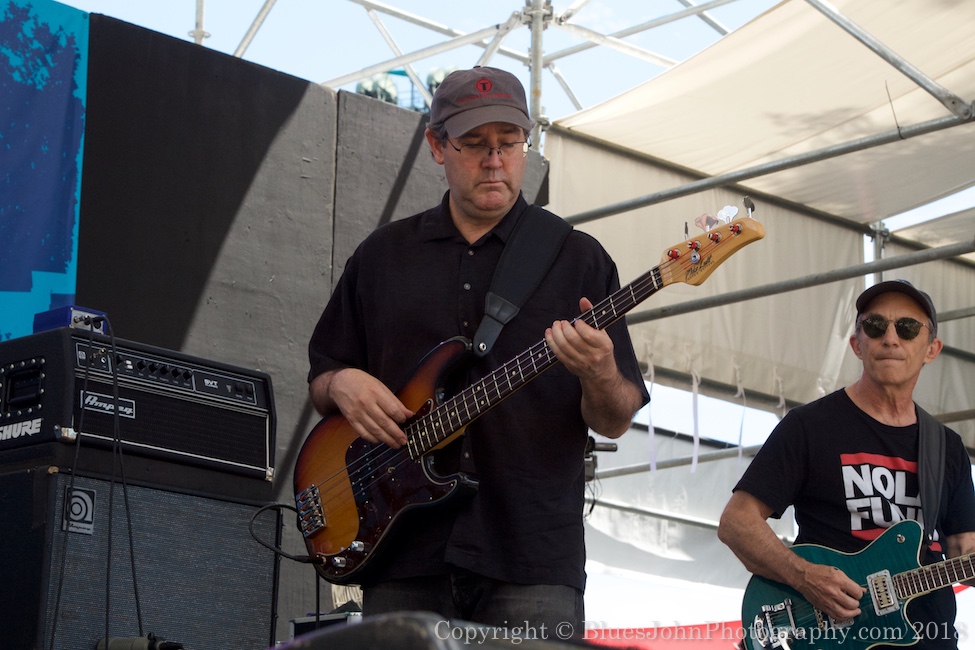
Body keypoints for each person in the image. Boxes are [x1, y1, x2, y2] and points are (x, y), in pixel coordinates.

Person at [307, 66, 649, 635]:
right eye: (474, 144)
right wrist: (341, 383)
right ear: (437, 145)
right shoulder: (382, 258)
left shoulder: (579, 260)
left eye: (509, 144)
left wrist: (599, 372)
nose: (494, 161)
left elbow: (614, 419)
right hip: (402, 549)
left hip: (531, 556)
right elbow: (323, 377)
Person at [718, 279, 975, 648]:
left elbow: (964, 551)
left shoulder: (947, 447)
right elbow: (737, 522)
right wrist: (804, 576)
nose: (890, 338)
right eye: (875, 326)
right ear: (857, 344)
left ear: (931, 349)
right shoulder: (810, 426)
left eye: (907, 328)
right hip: (831, 634)